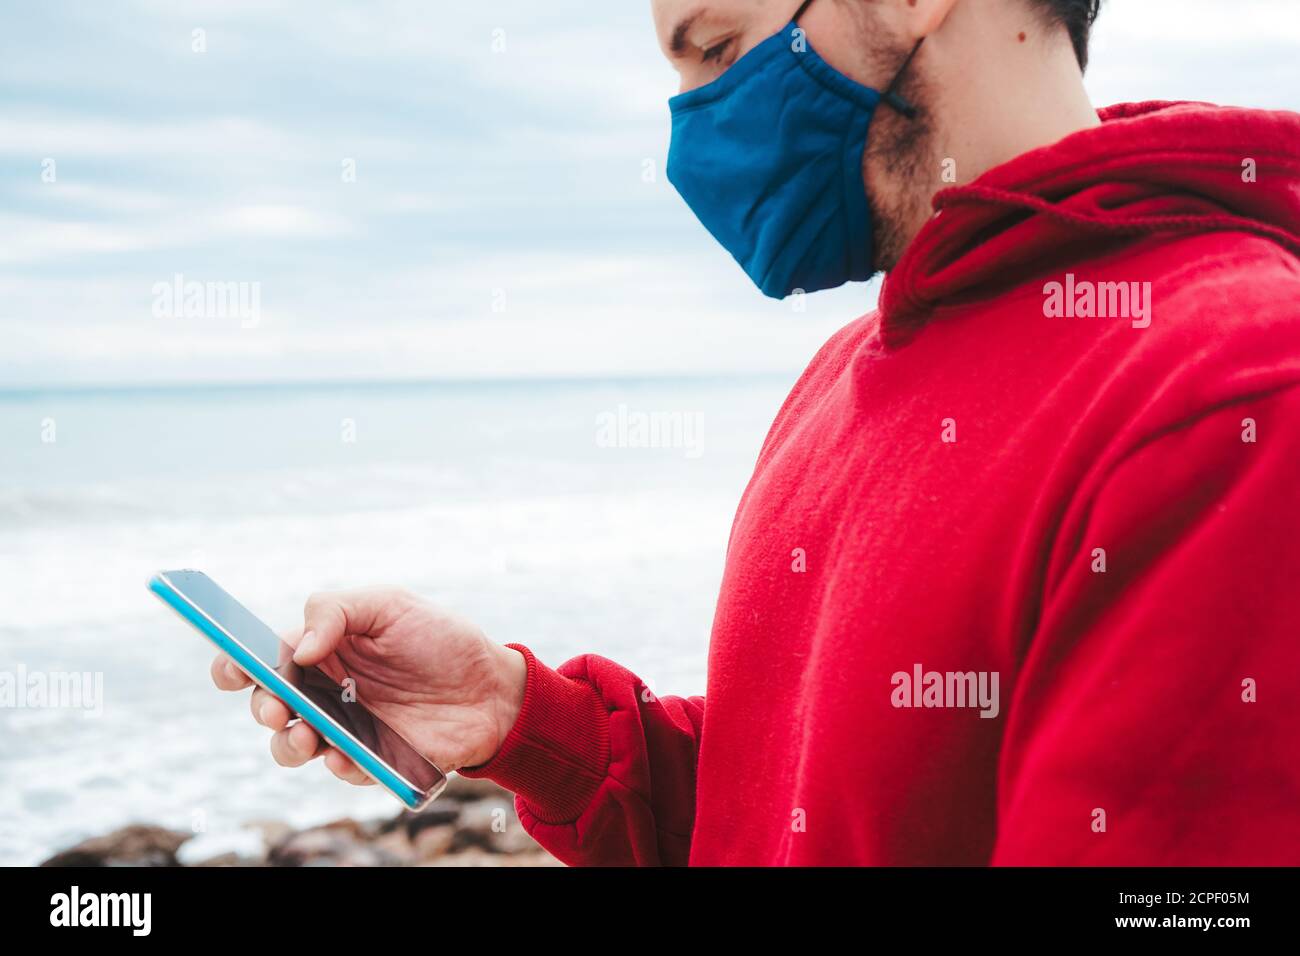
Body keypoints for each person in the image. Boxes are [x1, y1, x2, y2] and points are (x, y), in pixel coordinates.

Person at [213, 0, 1300, 864]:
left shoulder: (1233, 390)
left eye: (718, 46)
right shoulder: (846, 375)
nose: (694, 130)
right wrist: (523, 716)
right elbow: (799, 816)